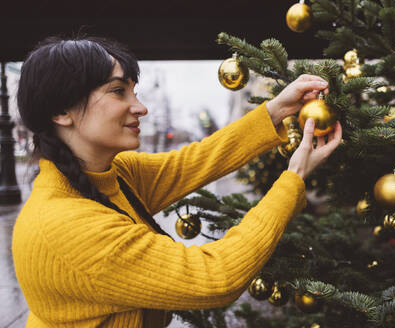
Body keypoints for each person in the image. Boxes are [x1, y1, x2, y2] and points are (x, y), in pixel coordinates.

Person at [12, 36, 342, 328]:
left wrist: (274, 110)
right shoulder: (66, 228)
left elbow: (191, 162)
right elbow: (216, 276)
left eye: (133, 92)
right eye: (117, 92)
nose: (140, 107)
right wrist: (293, 178)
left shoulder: (110, 174)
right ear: (60, 111)